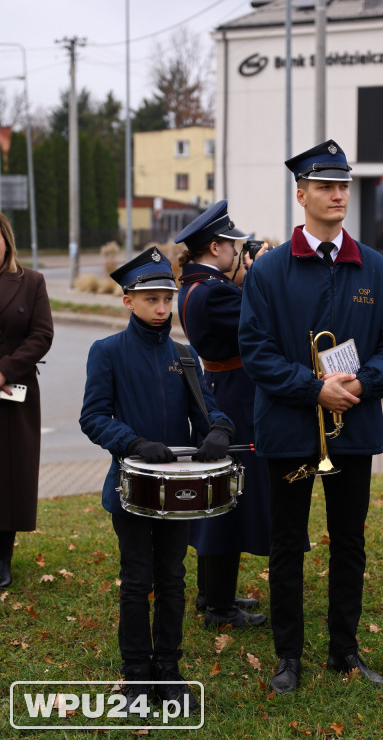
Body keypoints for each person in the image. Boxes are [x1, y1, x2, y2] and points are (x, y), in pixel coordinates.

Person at [238, 139, 383, 694]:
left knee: (350, 541)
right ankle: (288, 656)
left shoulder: (378, 269)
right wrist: (316, 390)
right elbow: (256, 351)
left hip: (354, 428)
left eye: (344, 185)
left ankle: (344, 651)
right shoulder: (268, 271)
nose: (339, 194)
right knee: (288, 542)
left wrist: (360, 384)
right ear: (302, 194)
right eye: (326, 186)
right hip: (290, 429)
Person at [79, 246, 235, 713]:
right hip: (132, 488)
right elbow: (93, 417)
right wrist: (132, 442)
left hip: (179, 493)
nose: (162, 308)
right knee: (135, 580)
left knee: (172, 577)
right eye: (151, 299)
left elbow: (211, 409)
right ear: (129, 301)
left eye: (167, 298)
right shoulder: (106, 352)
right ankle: (136, 678)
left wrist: (220, 430)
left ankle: (168, 671)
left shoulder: (185, 357)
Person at [174, 200, 269, 629]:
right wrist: (261, 278)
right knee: (228, 502)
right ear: (215, 247)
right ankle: (220, 608)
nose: (237, 253)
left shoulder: (196, 286)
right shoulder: (213, 292)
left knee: (218, 496)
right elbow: (259, 324)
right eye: (233, 246)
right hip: (233, 399)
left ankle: (213, 594)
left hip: (222, 391)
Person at [0, 213, 53, 589]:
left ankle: (3, 556)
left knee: (10, 477)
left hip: (14, 393)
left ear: (6, 239)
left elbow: (41, 334)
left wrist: (4, 370)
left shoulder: (31, 281)